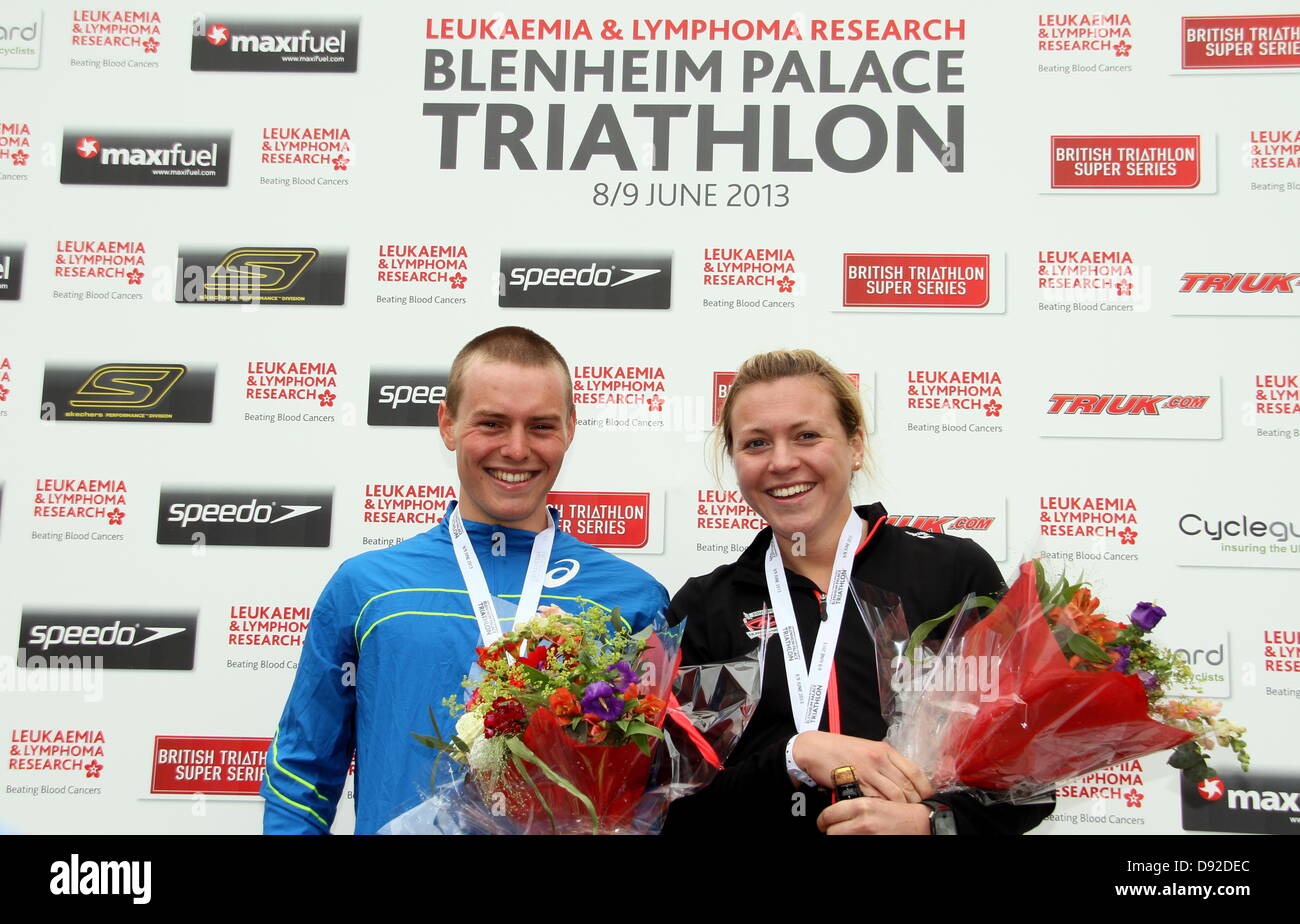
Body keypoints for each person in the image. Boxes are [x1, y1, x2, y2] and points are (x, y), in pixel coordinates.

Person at [261, 327, 669, 834]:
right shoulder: (367, 587)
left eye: (541, 426)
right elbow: (303, 767)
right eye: (492, 423)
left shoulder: (631, 597)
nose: (516, 449)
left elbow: (652, 790)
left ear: (570, 429)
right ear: (448, 424)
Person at [663, 349, 1054, 835]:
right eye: (756, 443)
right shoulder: (703, 607)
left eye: (807, 435)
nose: (782, 462)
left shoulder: (952, 573)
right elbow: (676, 805)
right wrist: (794, 755)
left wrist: (931, 825)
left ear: (855, 446)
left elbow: (1026, 782)